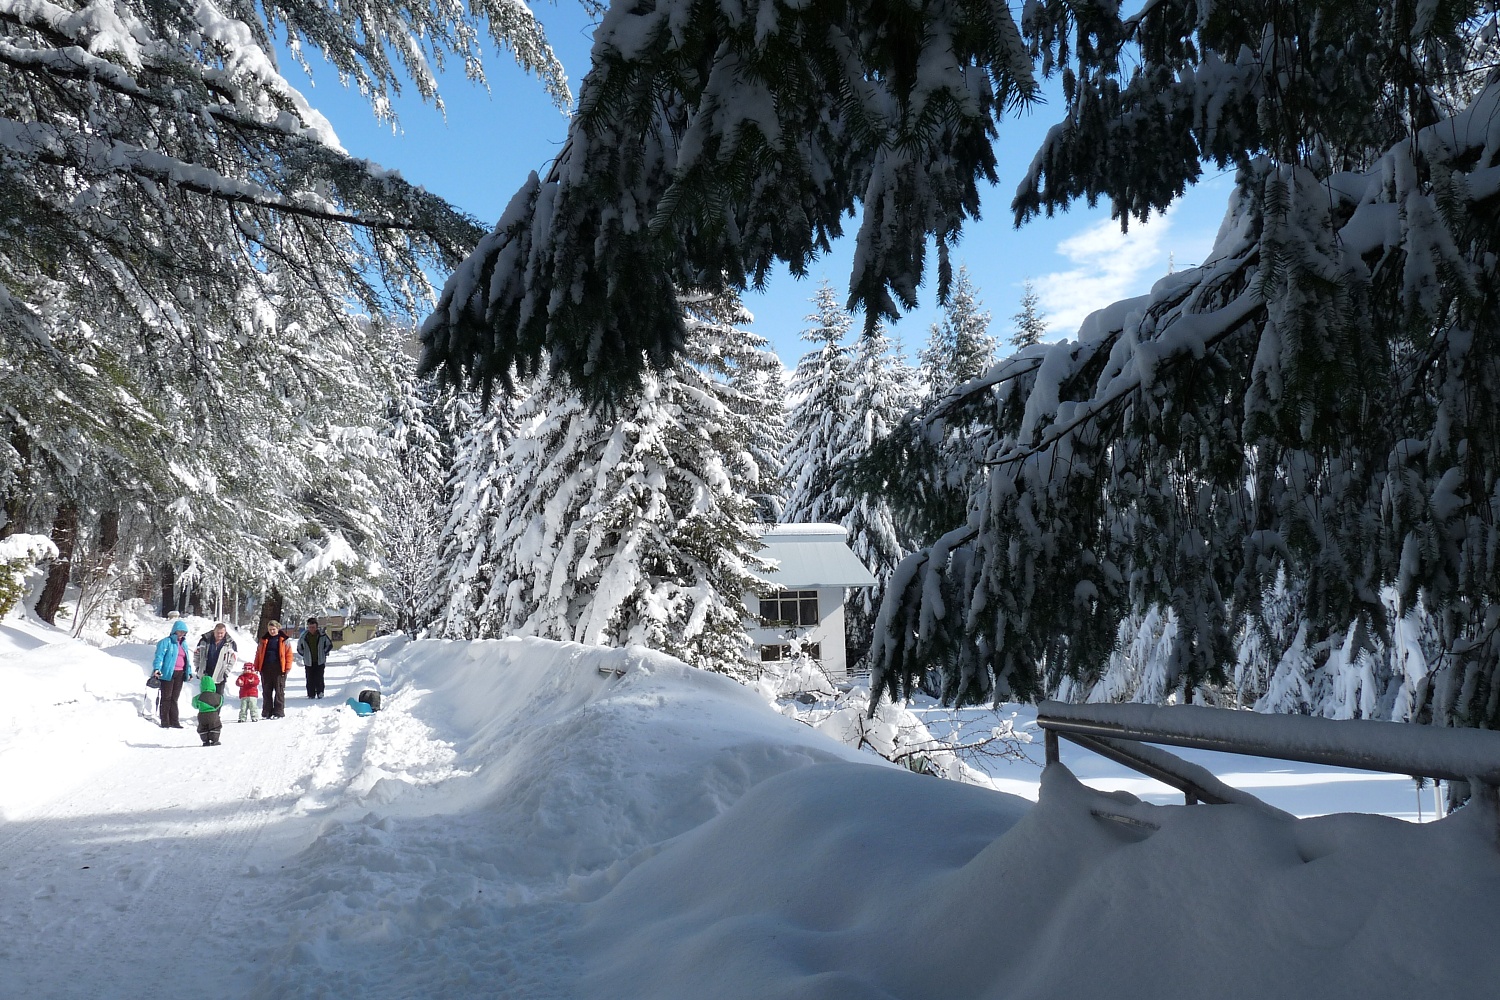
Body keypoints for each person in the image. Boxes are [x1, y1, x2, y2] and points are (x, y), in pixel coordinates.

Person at [150, 620, 193, 729]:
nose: (181, 634)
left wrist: (189, 672)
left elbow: (187, 659)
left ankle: (174, 721)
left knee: (174, 698)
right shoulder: (166, 642)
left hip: (180, 673)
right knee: (166, 697)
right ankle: (165, 721)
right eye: (180, 632)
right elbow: (159, 657)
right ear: (174, 631)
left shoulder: (184, 644)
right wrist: (157, 669)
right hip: (168, 673)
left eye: (183, 632)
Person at [255, 620, 294, 719]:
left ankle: (278, 712)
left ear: (278, 628)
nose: (272, 631)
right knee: (266, 691)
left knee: (279, 691)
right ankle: (266, 712)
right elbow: (258, 654)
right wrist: (256, 666)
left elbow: (289, 654)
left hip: (279, 669)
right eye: (270, 630)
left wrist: (287, 667)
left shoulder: (284, 640)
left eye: (273, 629)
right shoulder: (264, 640)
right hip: (266, 668)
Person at [194, 622, 238, 692]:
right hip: (206, 674)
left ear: (225, 632)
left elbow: (233, 660)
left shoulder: (230, 643)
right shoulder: (204, 640)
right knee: (205, 697)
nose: (219, 635)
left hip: (220, 676)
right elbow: (196, 655)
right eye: (218, 633)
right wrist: (198, 668)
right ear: (214, 631)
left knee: (218, 699)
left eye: (221, 633)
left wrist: (226, 672)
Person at [297, 617, 332, 699]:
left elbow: (329, 645)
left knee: (319, 677)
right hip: (308, 661)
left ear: (316, 627)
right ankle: (311, 694)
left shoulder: (322, 635)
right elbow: (299, 648)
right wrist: (305, 655)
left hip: (320, 660)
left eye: (313, 627)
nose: (311, 629)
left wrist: (324, 652)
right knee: (310, 678)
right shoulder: (304, 637)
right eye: (310, 627)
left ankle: (320, 692)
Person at [191, 674, 223, 746]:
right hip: (213, 714)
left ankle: (205, 741)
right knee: (215, 726)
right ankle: (215, 740)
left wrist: (200, 707)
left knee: (203, 727)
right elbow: (220, 703)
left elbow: (194, 705)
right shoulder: (217, 696)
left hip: (202, 714)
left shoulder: (198, 697)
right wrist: (215, 708)